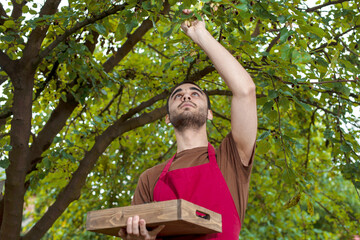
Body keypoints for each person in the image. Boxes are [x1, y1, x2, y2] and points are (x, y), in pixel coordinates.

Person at [119, 9, 257, 240]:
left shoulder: (232, 158)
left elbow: (245, 91)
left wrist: (201, 34)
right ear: (167, 118)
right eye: (177, 95)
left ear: (210, 114)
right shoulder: (149, 179)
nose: (186, 96)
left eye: (195, 94)